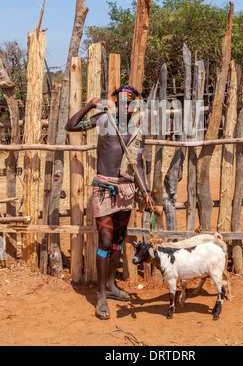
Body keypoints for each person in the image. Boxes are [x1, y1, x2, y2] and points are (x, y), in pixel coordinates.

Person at [65, 85, 155, 320]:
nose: (126, 105)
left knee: (117, 241)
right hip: (103, 189)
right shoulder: (104, 119)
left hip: (125, 191)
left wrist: (146, 192)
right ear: (115, 101)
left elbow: (137, 167)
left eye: (130, 101)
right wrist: (90, 105)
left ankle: (112, 286)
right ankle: (101, 295)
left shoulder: (136, 130)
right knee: (105, 240)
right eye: (122, 100)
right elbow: (71, 126)